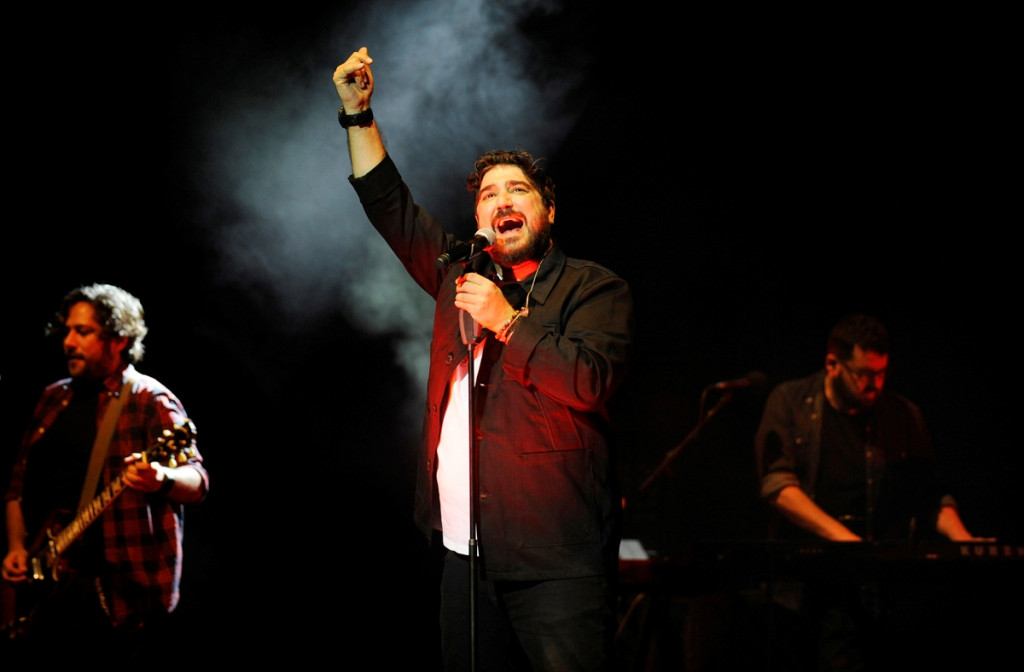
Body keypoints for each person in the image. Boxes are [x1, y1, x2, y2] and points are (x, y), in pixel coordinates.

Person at [333, 48, 633, 671]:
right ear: (478, 220)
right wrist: (358, 114)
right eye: (490, 193)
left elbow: (590, 380)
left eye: (518, 190)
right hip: (464, 557)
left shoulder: (593, 288)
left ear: (548, 211)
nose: (504, 201)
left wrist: (506, 322)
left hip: (557, 562)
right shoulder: (456, 271)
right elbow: (389, 204)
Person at [755, 314, 982, 670]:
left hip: (876, 588)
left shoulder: (903, 415)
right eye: (863, 374)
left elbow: (929, 494)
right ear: (832, 364)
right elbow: (779, 486)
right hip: (802, 583)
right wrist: (846, 540)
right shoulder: (790, 402)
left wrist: (965, 542)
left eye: (881, 373)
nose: (874, 384)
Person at [1, 283, 207, 661]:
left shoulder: (149, 399)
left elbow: (197, 481)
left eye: (83, 331)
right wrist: (17, 547)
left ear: (119, 339)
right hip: (48, 580)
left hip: (116, 590)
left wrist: (161, 478)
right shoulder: (54, 396)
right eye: (67, 330)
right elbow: (17, 484)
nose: (68, 341)